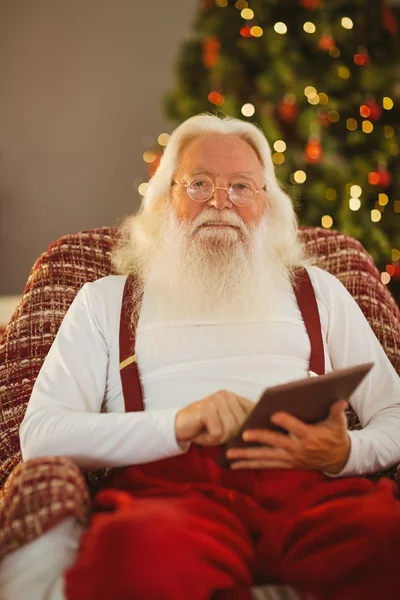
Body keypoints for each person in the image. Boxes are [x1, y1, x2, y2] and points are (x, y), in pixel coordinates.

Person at [2, 114, 400, 600]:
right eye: (199, 184)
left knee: (385, 540)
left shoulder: (319, 291)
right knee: (136, 553)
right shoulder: (104, 301)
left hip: (314, 491)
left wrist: (346, 454)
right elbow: (40, 435)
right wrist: (177, 424)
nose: (220, 202)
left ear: (266, 204)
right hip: (172, 498)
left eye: (241, 187)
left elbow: (394, 412)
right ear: (166, 197)